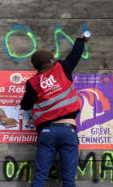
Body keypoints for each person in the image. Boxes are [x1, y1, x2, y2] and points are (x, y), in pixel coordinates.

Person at [20, 34, 89, 187]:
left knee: (39, 178)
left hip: (47, 133)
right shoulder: (62, 68)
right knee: (69, 181)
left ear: (34, 67)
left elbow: (25, 105)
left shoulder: (32, 83)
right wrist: (81, 39)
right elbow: (76, 53)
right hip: (68, 131)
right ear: (51, 61)